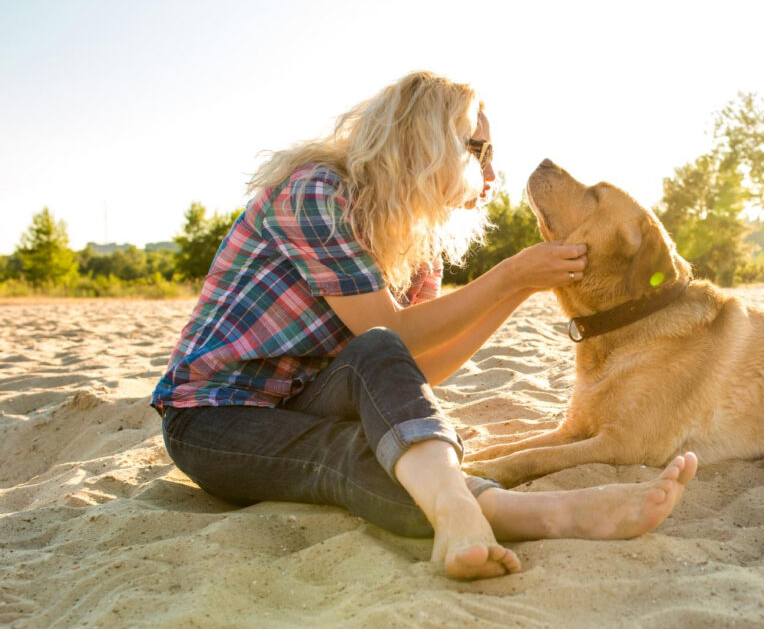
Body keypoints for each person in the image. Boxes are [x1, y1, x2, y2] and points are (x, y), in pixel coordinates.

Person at [151, 71, 697, 580]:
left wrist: (524, 286)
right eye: (476, 149)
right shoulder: (318, 193)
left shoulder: (420, 250)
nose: (490, 172)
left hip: (307, 398)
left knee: (379, 368)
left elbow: (416, 368)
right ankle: (533, 512)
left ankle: (463, 508)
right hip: (212, 418)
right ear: (424, 141)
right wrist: (509, 275)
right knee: (345, 449)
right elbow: (396, 332)